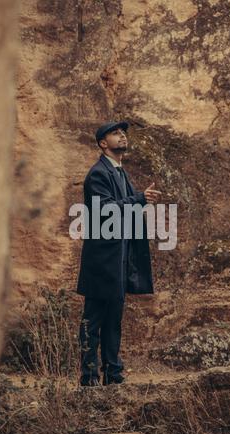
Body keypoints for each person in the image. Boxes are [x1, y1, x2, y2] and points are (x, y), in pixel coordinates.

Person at [76, 121, 161, 386]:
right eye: (115, 133)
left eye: (123, 132)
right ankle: (89, 378)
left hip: (117, 260)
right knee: (93, 320)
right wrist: (138, 199)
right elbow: (105, 210)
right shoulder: (98, 174)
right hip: (102, 262)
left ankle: (113, 375)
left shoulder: (120, 172)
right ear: (103, 143)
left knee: (113, 319)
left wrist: (138, 197)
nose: (122, 135)